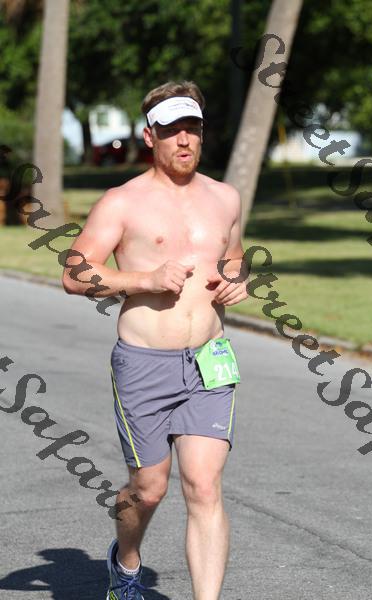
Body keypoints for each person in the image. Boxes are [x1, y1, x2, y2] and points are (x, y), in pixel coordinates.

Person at [62, 80, 249, 600]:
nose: (184, 140)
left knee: (204, 486)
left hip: (209, 359)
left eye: (192, 128)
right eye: (171, 131)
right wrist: (144, 279)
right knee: (148, 489)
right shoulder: (122, 202)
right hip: (144, 362)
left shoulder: (225, 197)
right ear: (150, 137)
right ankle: (125, 563)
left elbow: (234, 256)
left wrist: (238, 279)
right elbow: (74, 274)